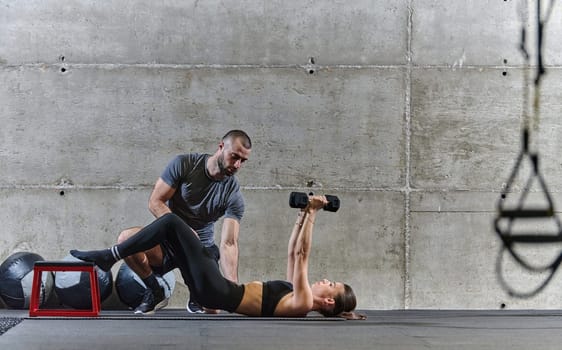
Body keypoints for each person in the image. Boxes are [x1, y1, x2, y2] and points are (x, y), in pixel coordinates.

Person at [71, 195, 364, 319]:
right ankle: (152, 281)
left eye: (332, 284)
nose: (326, 280)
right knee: (203, 247)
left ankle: (110, 257)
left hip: (216, 290)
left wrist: (313, 213)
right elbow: (292, 251)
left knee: (173, 223)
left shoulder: (300, 303)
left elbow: (302, 256)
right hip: (213, 289)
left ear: (328, 301)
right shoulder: (293, 295)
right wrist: (302, 214)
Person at [117, 130, 252, 314]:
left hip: (201, 249)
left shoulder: (233, 194)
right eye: (234, 157)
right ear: (221, 147)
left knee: (213, 308)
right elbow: (155, 202)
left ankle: (196, 294)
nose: (237, 165)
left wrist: (234, 290)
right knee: (126, 239)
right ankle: (155, 291)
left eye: (242, 161)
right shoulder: (185, 164)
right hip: (167, 244)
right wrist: (184, 231)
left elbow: (229, 243)